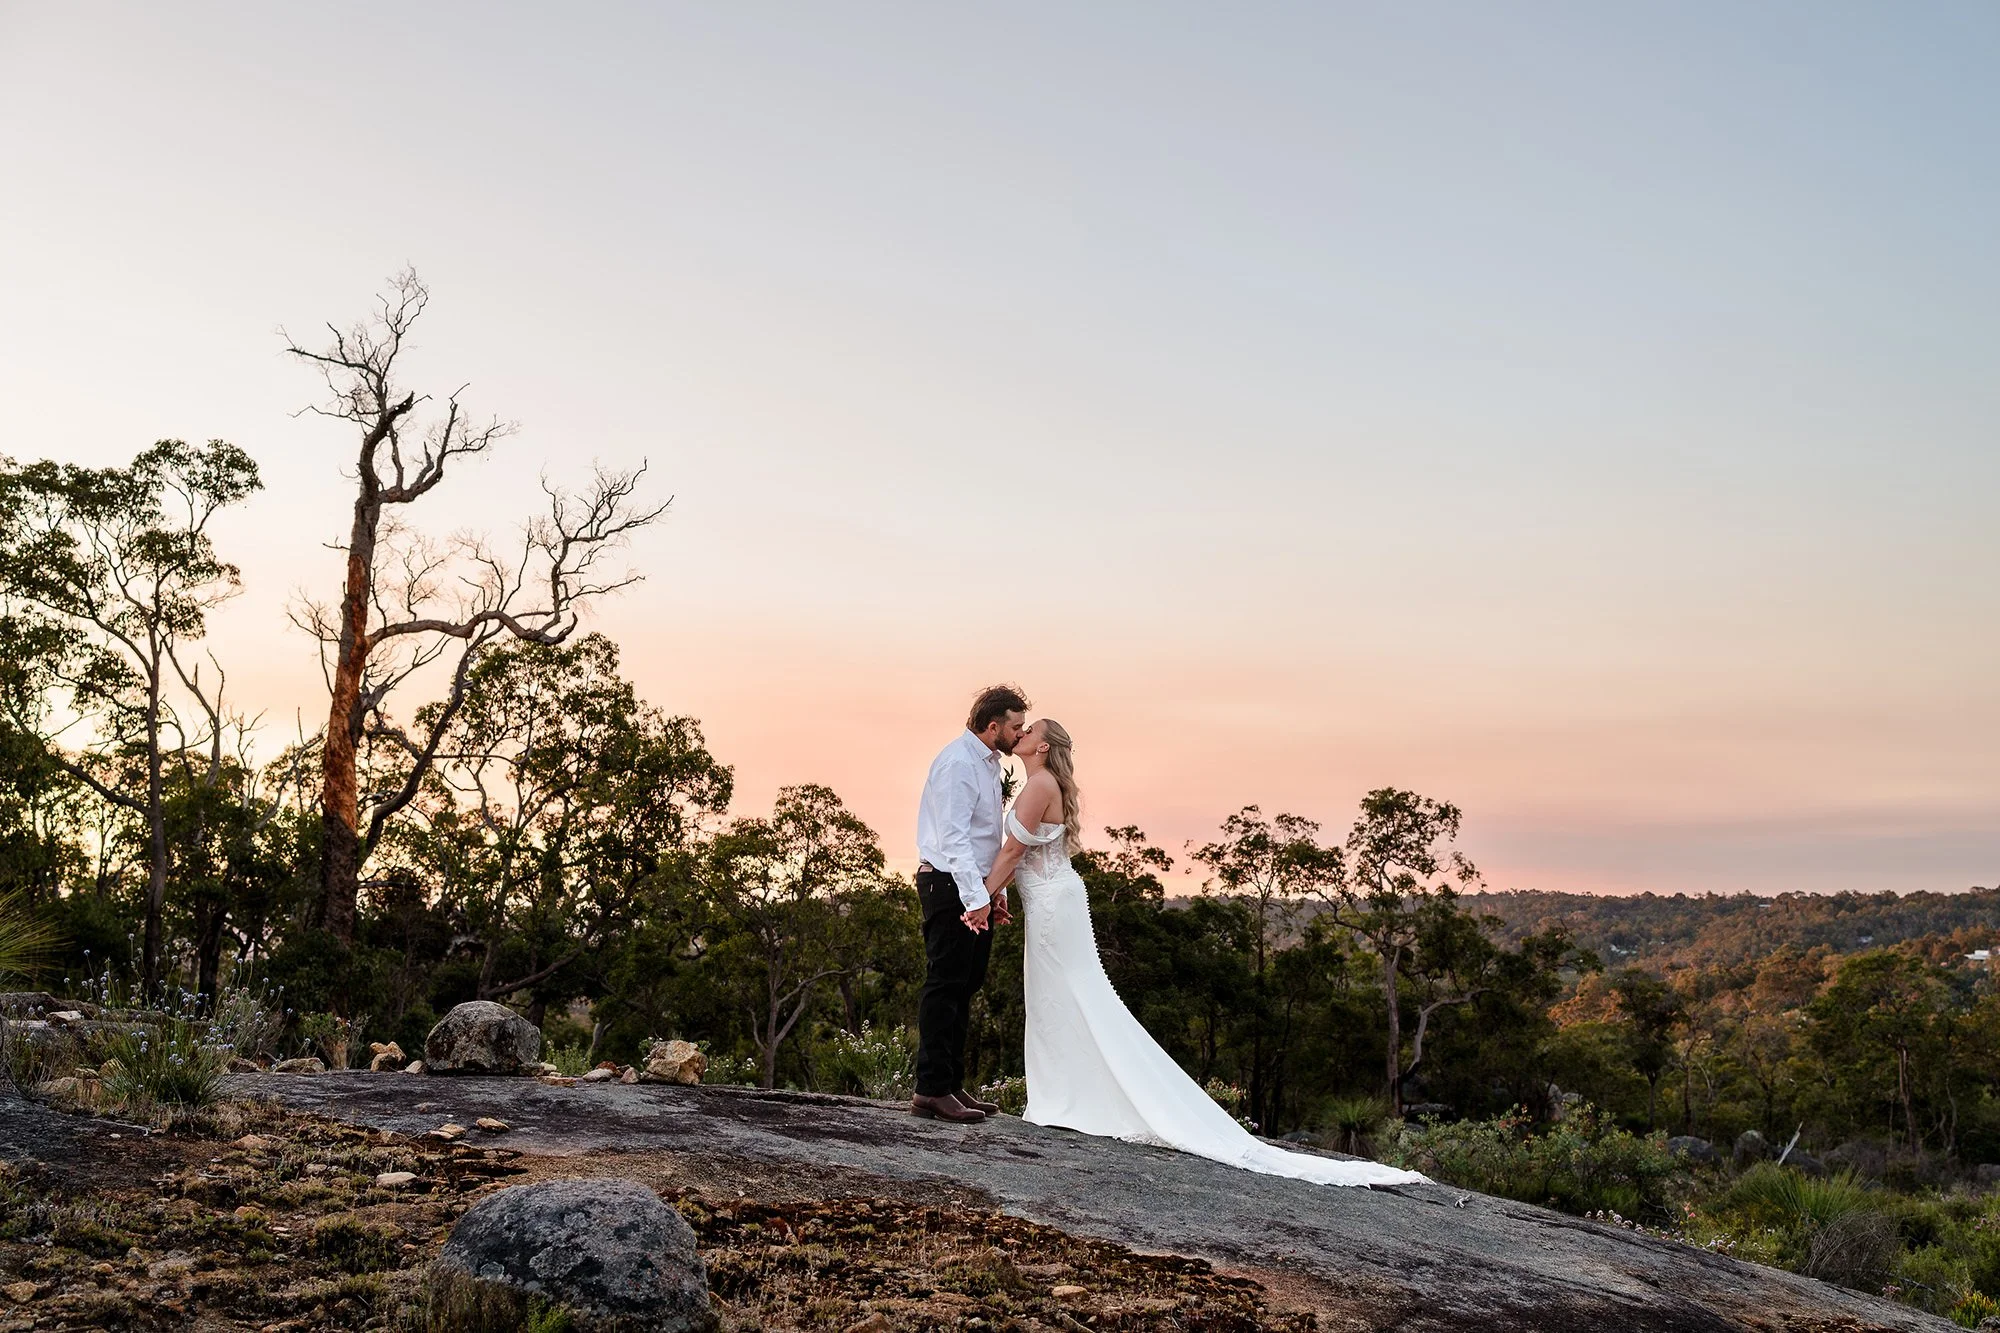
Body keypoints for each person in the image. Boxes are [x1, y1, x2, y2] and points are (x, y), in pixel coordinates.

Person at [985, 718, 1426, 1187]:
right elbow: (1020, 854)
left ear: (1043, 745)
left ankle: (1071, 1099)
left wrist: (977, 897)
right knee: (1060, 998)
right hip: (1050, 902)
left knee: (1068, 997)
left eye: (1028, 729)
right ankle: (1066, 1095)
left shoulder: (1039, 785)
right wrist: (997, 895)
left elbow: (1013, 851)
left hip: (1054, 906)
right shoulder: (1039, 783)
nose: (1022, 733)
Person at [910, 684, 1028, 1122]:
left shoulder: (988, 764)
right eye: (1016, 727)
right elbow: (954, 839)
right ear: (993, 725)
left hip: (973, 886)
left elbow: (984, 839)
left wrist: (992, 893)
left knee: (966, 982)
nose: (1021, 734)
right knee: (945, 983)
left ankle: (952, 1084)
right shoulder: (958, 764)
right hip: (947, 884)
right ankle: (931, 1090)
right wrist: (975, 897)